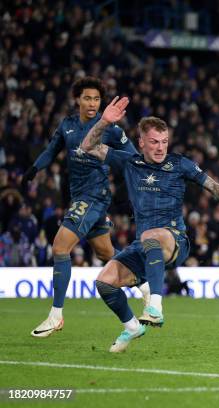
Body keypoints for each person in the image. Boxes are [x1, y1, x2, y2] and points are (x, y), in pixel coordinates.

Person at [81, 96, 219, 352]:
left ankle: (155, 304)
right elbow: (88, 146)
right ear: (141, 142)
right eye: (154, 142)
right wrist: (103, 122)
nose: (160, 147)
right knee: (104, 281)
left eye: (164, 141)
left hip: (174, 239)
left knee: (152, 235)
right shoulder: (129, 162)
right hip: (144, 245)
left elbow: (210, 185)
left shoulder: (179, 164)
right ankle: (132, 326)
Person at [22, 77, 150, 338]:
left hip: (95, 194)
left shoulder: (110, 128)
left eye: (96, 99)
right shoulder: (67, 125)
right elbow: (51, 150)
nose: (92, 103)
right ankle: (143, 290)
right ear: (77, 100)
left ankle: (56, 316)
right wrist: (35, 168)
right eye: (87, 98)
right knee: (105, 252)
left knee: (60, 247)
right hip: (78, 195)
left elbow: (133, 158)